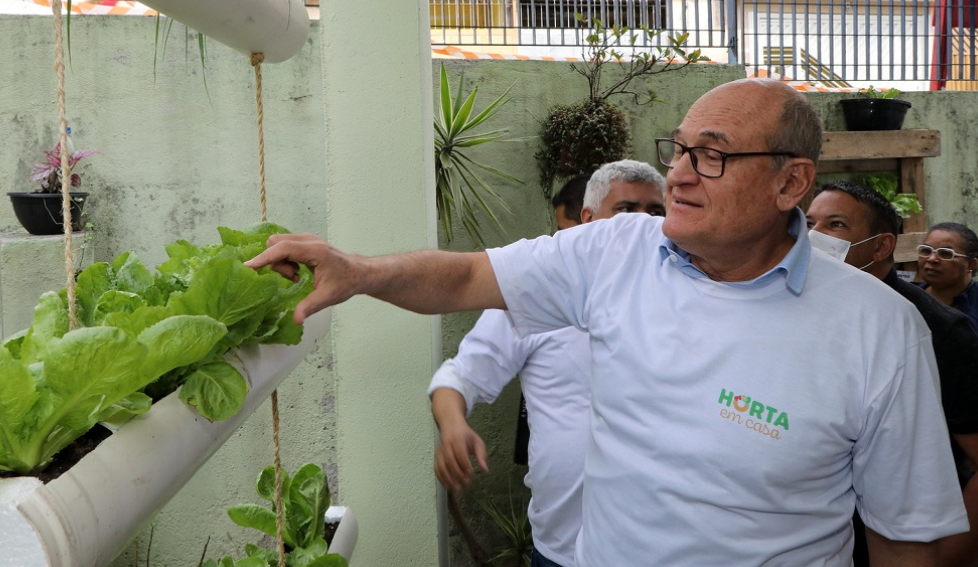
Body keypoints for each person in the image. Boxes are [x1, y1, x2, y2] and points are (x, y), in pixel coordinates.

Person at [246, 78, 968, 566]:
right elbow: (467, 274)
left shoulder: (878, 327)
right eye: (680, 148)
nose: (680, 174)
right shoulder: (616, 250)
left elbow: (903, 536)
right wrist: (362, 272)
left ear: (791, 182)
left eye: (712, 154)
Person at [429, 160, 666, 567]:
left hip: (658, 547)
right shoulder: (535, 299)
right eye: (627, 211)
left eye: (655, 212)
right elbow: (460, 376)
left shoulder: (685, 299)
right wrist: (453, 425)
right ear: (588, 220)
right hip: (562, 547)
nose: (643, 225)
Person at [806, 180, 978, 567]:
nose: (813, 237)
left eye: (835, 225)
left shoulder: (936, 328)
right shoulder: (799, 307)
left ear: (881, 247)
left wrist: (947, 556)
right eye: (808, 223)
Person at [917, 222, 978, 330]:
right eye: (926, 251)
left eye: (946, 253)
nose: (931, 259)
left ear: (971, 264)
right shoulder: (906, 297)